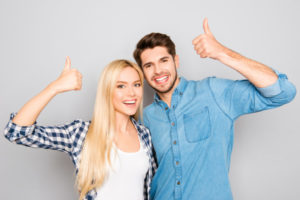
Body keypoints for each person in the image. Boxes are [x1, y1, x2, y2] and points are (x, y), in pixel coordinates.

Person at [133, 18, 296, 200]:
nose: (158, 71)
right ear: (143, 73)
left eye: (163, 60)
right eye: (149, 65)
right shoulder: (145, 117)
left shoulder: (213, 92)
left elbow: (282, 92)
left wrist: (221, 52)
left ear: (176, 61)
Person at [3, 57, 157, 200]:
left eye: (136, 84)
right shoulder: (81, 133)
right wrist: (54, 87)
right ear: (107, 91)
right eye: (121, 86)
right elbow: (16, 132)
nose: (131, 93)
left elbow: (153, 186)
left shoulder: (144, 134)